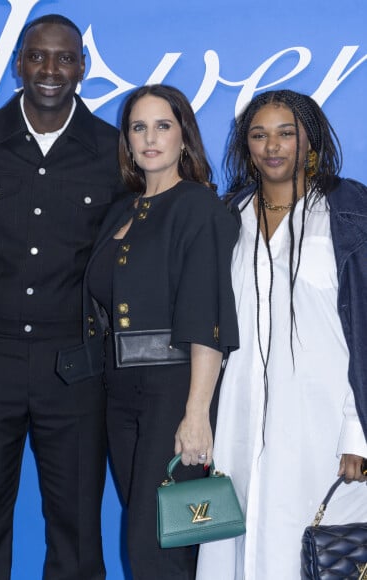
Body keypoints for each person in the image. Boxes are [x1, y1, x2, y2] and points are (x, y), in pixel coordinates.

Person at [0, 14, 124, 580]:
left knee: (75, 526)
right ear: (19, 64)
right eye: (38, 56)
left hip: (75, 366)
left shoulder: (114, 152)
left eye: (65, 58)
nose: (51, 69)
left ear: (82, 68)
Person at [59, 84, 239, 579]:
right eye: (139, 127)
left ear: (185, 136)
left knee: (158, 547)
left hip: (174, 390)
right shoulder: (123, 209)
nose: (150, 138)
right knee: (158, 536)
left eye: (163, 125)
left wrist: (196, 414)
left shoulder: (199, 207)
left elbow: (208, 317)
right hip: (119, 393)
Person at [196, 90, 367, 580]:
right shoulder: (231, 215)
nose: (273, 146)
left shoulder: (348, 210)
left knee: (312, 551)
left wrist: (357, 432)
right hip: (238, 421)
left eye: (286, 133)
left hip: (324, 426)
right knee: (237, 546)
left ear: (309, 140)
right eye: (259, 134)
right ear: (245, 146)